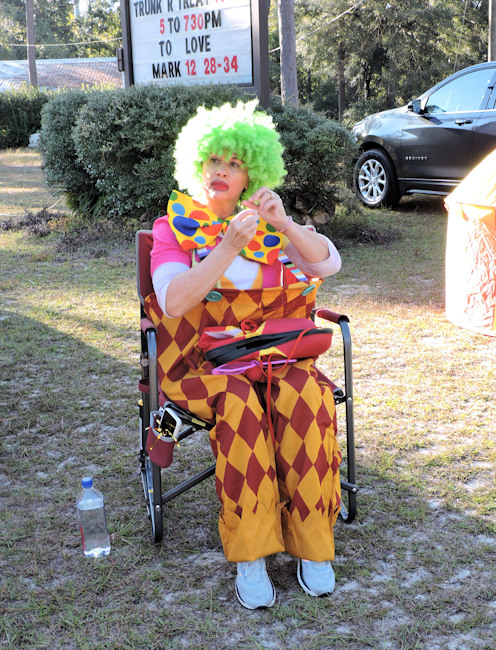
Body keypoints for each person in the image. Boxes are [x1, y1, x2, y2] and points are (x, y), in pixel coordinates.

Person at [145, 100, 342, 609]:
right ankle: (251, 553)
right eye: (213, 160)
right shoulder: (173, 229)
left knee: (307, 395)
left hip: (276, 358)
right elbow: (173, 301)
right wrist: (227, 248)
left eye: (234, 163)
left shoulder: (267, 225)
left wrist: (286, 224)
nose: (221, 171)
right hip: (201, 367)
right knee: (239, 405)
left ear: (249, 173)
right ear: (197, 165)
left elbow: (327, 265)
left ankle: (313, 544)